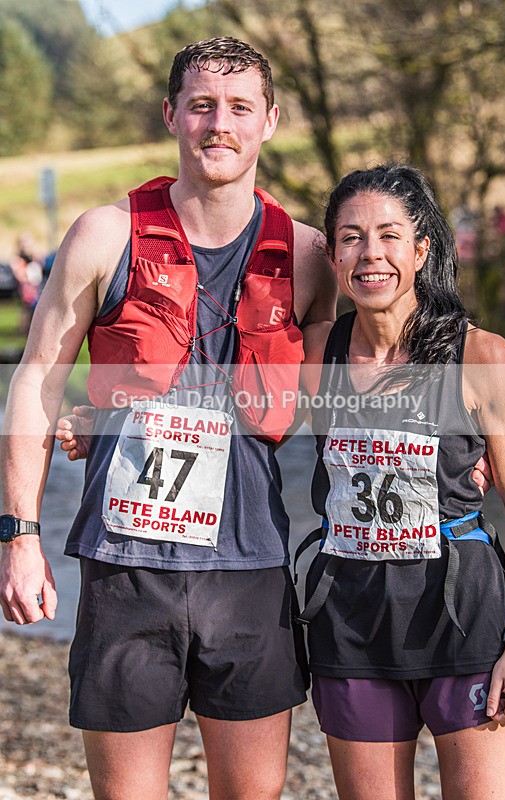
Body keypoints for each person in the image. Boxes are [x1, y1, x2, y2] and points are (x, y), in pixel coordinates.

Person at [0, 37, 337, 800]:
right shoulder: (103, 234)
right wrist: (19, 535)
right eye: (202, 105)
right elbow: (32, 386)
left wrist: (461, 449)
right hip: (126, 573)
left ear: (270, 121)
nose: (220, 124)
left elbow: (337, 401)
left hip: (251, 571)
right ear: (171, 115)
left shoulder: (311, 257)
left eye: (240, 108)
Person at [298, 164, 505, 800]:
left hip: (463, 615)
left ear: (422, 248)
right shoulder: (317, 351)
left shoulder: (481, 355)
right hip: (350, 619)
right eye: (349, 238)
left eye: (389, 235)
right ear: (330, 253)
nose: (371, 254)